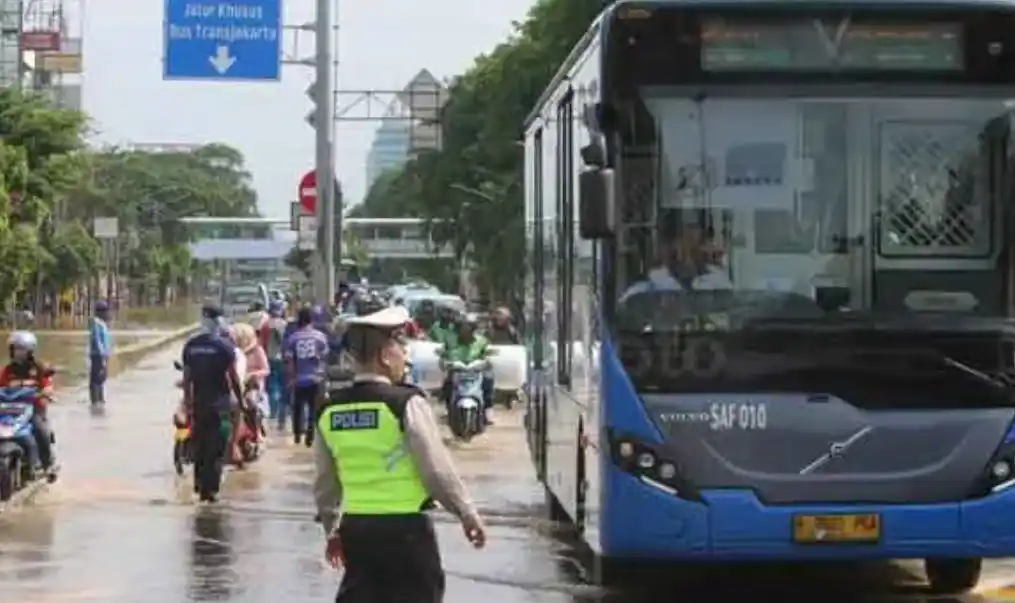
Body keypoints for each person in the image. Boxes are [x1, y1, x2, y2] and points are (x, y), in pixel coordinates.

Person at [313, 305, 486, 603]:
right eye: (401, 347)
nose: (405, 356)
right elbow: (436, 471)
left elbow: (325, 485)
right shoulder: (405, 403)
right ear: (384, 355)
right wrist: (467, 513)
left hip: (357, 530)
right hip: (406, 531)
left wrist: (333, 531)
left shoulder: (329, 409)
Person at [181, 304, 244, 503]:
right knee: (217, 447)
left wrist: (188, 404)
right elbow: (233, 377)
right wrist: (240, 400)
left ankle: (199, 485)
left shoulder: (190, 346)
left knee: (200, 445)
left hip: (199, 405)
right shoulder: (224, 347)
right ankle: (211, 490)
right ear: (218, 321)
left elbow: (187, 379)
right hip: (220, 406)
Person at [619, 211, 733, 302]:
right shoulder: (640, 294)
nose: (681, 252)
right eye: (674, 242)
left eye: (690, 244)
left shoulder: (719, 285)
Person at [0, 331, 55, 475]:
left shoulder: (38, 368)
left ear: (30, 351)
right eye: (15, 349)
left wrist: (45, 392)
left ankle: (47, 465)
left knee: (39, 428)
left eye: (21, 349)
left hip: (33, 409)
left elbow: (47, 386)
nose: (18, 352)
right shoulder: (7, 370)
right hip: (9, 409)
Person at [284, 306, 329, 447]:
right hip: (316, 378)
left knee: (297, 408)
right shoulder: (320, 337)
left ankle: (297, 435)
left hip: (299, 379)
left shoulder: (293, 338)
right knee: (313, 408)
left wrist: (291, 378)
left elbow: (289, 360)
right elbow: (324, 357)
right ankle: (310, 435)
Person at [439, 313, 494, 426]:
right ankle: (448, 408)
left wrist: (487, 361)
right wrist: (445, 362)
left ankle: (487, 408)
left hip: (476, 370)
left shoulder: (482, 340)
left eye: (469, 326)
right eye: (463, 326)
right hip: (457, 370)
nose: (465, 329)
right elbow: (443, 355)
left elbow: (488, 355)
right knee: (448, 383)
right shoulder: (450, 340)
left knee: (488, 379)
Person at [229, 322, 269, 463]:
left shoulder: (256, 350)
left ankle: (257, 432)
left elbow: (266, 370)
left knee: (251, 402)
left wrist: (252, 374)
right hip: (235, 384)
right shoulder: (231, 352)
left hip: (253, 385)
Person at [261, 300, 288, 429]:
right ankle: (283, 415)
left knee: (272, 386)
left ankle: (273, 413)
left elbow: (263, 343)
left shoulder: (266, 325)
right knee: (283, 387)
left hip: (269, 358)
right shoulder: (285, 324)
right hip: (283, 359)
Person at [87, 300, 112, 405]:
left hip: (103, 355)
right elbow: (96, 340)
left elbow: (105, 341)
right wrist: (102, 356)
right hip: (97, 355)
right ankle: (95, 402)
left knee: (101, 378)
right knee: (96, 380)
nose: (107, 313)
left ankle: (100, 401)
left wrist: (107, 354)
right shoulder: (96, 324)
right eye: (105, 311)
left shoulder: (102, 324)